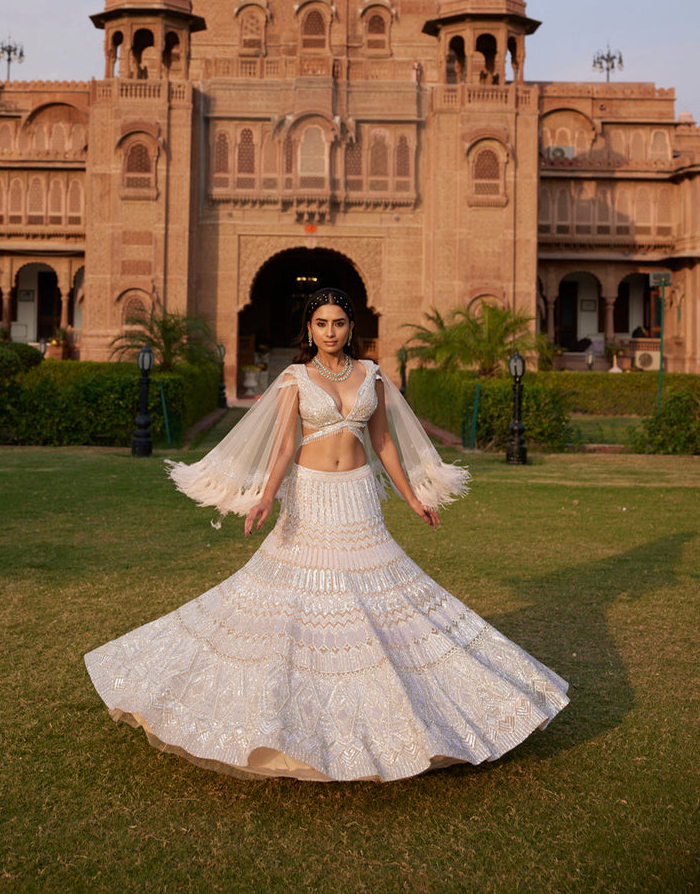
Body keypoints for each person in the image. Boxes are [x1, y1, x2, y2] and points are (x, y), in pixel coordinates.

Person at [85, 288, 568, 782]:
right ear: (309, 330)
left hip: (358, 497)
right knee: (293, 600)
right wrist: (266, 496)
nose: (331, 331)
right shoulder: (295, 379)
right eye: (321, 323)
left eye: (338, 322)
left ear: (351, 327)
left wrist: (412, 498)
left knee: (380, 599)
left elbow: (383, 442)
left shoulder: (371, 375)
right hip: (310, 496)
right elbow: (281, 448)